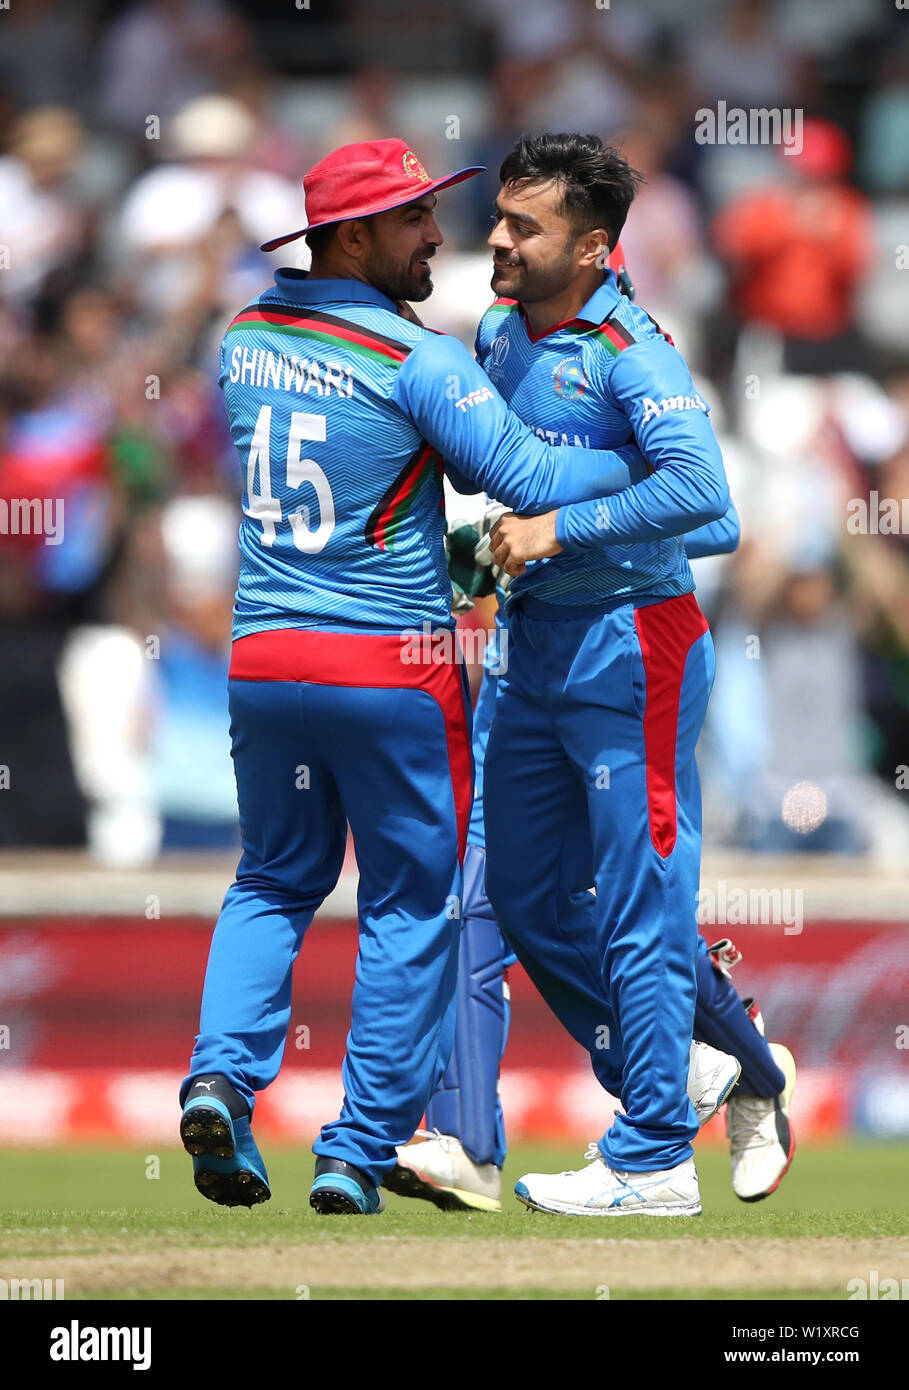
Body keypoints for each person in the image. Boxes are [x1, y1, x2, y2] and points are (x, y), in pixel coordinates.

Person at [178, 138, 656, 1217]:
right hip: (392, 669)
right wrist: (644, 458)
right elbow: (527, 478)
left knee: (270, 879)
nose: (439, 236)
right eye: (411, 220)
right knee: (412, 901)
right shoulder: (418, 358)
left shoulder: (242, 336)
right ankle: (356, 1146)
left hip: (263, 662)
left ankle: (218, 1079)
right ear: (352, 237)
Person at [392, 238, 796, 1214]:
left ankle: (679, 1110)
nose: (497, 245)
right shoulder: (499, 335)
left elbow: (713, 516)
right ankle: (715, 1066)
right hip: (534, 645)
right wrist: (487, 545)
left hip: (629, 641)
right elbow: (511, 479)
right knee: (507, 895)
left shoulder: (639, 356)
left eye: (522, 229)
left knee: (634, 903)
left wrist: (566, 514)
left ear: (589, 254)